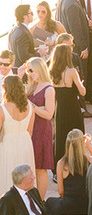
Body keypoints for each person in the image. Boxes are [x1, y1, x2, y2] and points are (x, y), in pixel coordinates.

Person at [49, 42, 85, 163]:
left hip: (60, 109)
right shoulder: (72, 71)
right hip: (73, 108)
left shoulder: (51, 72)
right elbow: (83, 92)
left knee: (61, 137)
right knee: (76, 135)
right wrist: (82, 84)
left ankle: (60, 164)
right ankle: (77, 161)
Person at [0, 76, 35, 197]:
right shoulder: (30, 107)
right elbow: (30, 131)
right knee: (24, 176)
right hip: (25, 144)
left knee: (7, 176)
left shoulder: (2, 109)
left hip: (8, 145)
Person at [25, 57, 55, 198]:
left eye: (32, 70)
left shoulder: (49, 89)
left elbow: (49, 114)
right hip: (29, 129)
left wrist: (34, 107)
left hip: (42, 130)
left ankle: (41, 201)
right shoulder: (31, 86)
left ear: (39, 69)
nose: (29, 73)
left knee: (41, 168)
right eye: (28, 70)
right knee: (30, 165)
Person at [46, 128, 90, 215]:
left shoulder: (61, 163)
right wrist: (89, 147)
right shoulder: (89, 161)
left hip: (68, 205)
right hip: (86, 206)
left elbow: (61, 191)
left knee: (49, 202)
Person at [55, 0, 90, 80]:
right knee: (80, 77)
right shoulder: (72, 4)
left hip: (68, 47)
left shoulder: (63, 0)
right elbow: (76, 29)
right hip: (76, 49)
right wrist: (83, 47)